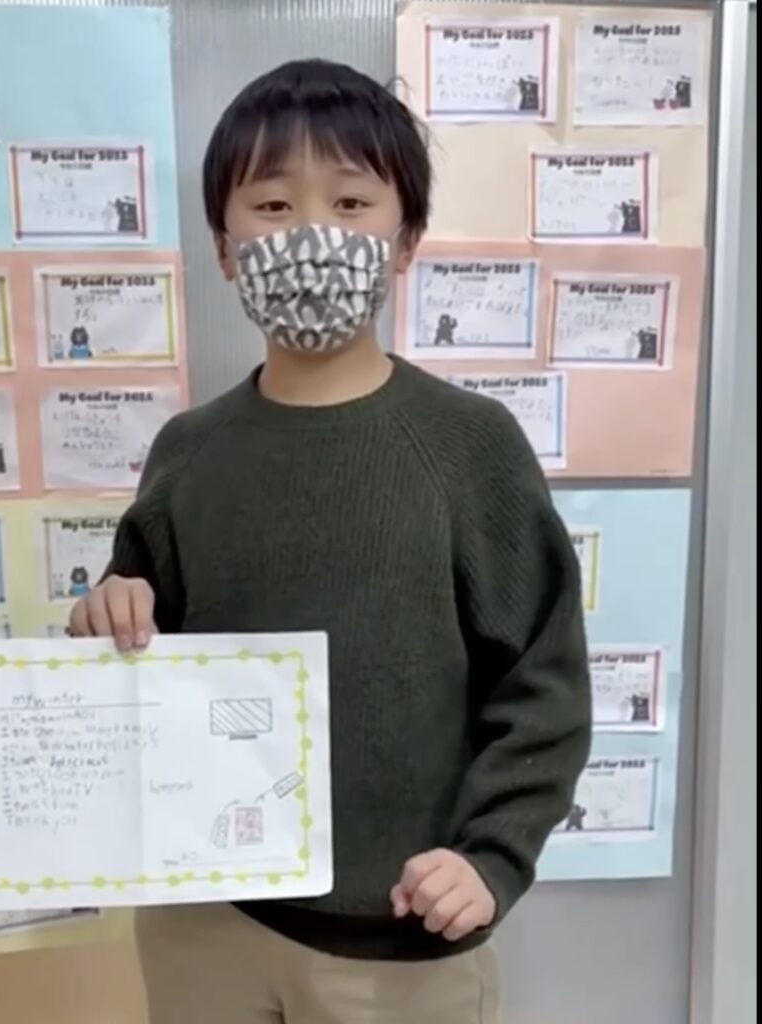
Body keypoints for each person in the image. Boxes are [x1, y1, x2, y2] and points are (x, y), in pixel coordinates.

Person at [69, 58, 591, 1024]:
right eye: (271, 205)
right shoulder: (188, 451)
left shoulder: (469, 447)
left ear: (406, 241)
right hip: (203, 927)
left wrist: (493, 855)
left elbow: (543, 681)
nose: (310, 233)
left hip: (403, 942)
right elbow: (139, 644)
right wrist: (110, 610)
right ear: (224, 248)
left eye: (351, 203)